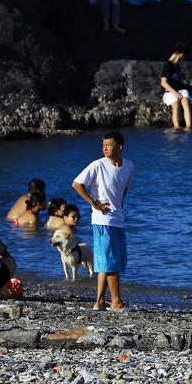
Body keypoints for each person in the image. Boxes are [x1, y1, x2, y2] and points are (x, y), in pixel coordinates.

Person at [72, 131, 134, 312]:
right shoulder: (97, 165)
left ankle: (99, 302)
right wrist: (94, 202)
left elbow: (124, 188)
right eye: (103, 144)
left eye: (108, 144)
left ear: (119, 147)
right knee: (110, 261)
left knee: (107, 262)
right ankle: (116, 302)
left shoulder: (128, 165)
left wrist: (119, 203)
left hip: (117, 220)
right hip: (102, 221)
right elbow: (77, 184)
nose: (104, 148)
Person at [160, 43, 192, 129]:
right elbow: (163, 82)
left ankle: (188, 126)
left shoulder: (176, 65)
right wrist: (175, 93)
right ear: (181, 55)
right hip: (170, 91)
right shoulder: (167, 65)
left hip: (180, 89)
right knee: (176, 104)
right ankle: (176, 127)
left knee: (186, 102)